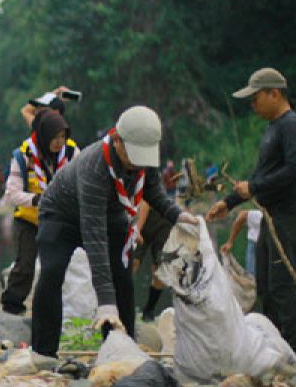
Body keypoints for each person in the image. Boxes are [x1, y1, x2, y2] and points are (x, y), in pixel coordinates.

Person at [32, 106, 194, 357]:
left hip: (112, 214)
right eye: (132, 154)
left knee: (123, 277)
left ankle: (121, 347)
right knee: (52, 273)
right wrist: (105, 303)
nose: (136, 162)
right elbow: (94, 238)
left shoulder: (144, 155)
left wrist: (178, 216)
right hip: (61, 214)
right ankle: (43, 352)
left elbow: (153, 191)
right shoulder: (94, 166)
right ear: (117, 140)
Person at [208, 67, 296, 364]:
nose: (252, 106)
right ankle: (275, 346)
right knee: (265, 283)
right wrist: (229, 202)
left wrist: (254, 186)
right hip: (270, 216)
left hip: (289, 217)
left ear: (274, 93)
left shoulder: (291, 125)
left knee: (284, 285)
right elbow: (261, 176)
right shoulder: (272, 128)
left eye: (255, 99)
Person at [0, 110, 78, 315]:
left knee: (52, 267)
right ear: (44, 135)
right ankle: (12, 307)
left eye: (63, 137)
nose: (59, 142)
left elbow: (82, 179)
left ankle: (48, 308)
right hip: (28, 218)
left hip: (56, 220)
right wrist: (38, 200)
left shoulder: (71, 153)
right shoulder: (23, 155)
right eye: (55, 137)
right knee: (25, 266)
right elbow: (12, 193)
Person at [135, 200, 175, 321]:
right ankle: (118, 304)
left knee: (160, 269)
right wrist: (138, 228)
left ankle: (149, 310)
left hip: (166, 220)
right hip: (145, 216)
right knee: (133, 263)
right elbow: (145, 202)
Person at [221, 208, 263, 275]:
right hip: (255, 245)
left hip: (266, 247)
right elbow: (242, 216)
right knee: (252, 277)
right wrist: (230, 242)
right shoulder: (262, 216)